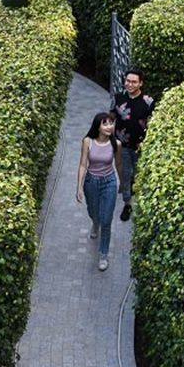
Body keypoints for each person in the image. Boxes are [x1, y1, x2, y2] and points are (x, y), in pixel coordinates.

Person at [76, 112, 123, 271]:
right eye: (105, 123)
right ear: (98, 126)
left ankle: (103, 254)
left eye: (111, 123)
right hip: (91, 182)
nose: (110, 126)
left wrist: (122, 182)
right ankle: (95, 223)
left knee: (107, 220)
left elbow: (118, 165)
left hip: (109, 182)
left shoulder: (116, 144)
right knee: (93, 212)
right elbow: (83, 164)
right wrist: (79, 187)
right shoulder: (87, 142)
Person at [111, 69, 154, 221]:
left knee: (138, 173)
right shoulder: (118, 98)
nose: (129, 84)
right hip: (121, 145)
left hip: (140, 146)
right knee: (125, 174)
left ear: (140, 83)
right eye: (127, 81)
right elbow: (111, 117)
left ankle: (139, 201)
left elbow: (153, 123)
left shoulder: (148, 101)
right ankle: (128, 203)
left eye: (134, 82)